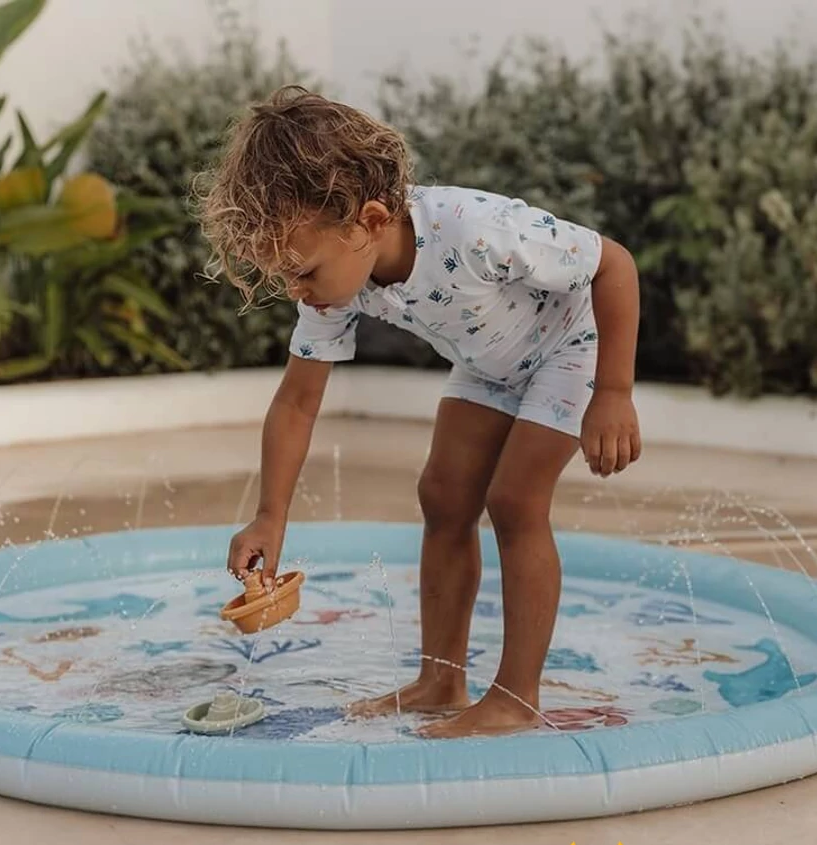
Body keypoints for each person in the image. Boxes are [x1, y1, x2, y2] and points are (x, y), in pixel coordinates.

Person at [195, 86, 642, 738]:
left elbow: (613, 265)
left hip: (573, 347)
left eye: (304, 271)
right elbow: (297, 401)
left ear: (371, 221)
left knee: (514, 501)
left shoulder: (474, 227)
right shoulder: (336, 282)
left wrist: (614, 393)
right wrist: (270, 515)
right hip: (489, 366)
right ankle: (441, 680)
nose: (295, 290)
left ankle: (515, 698)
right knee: (443, 496)